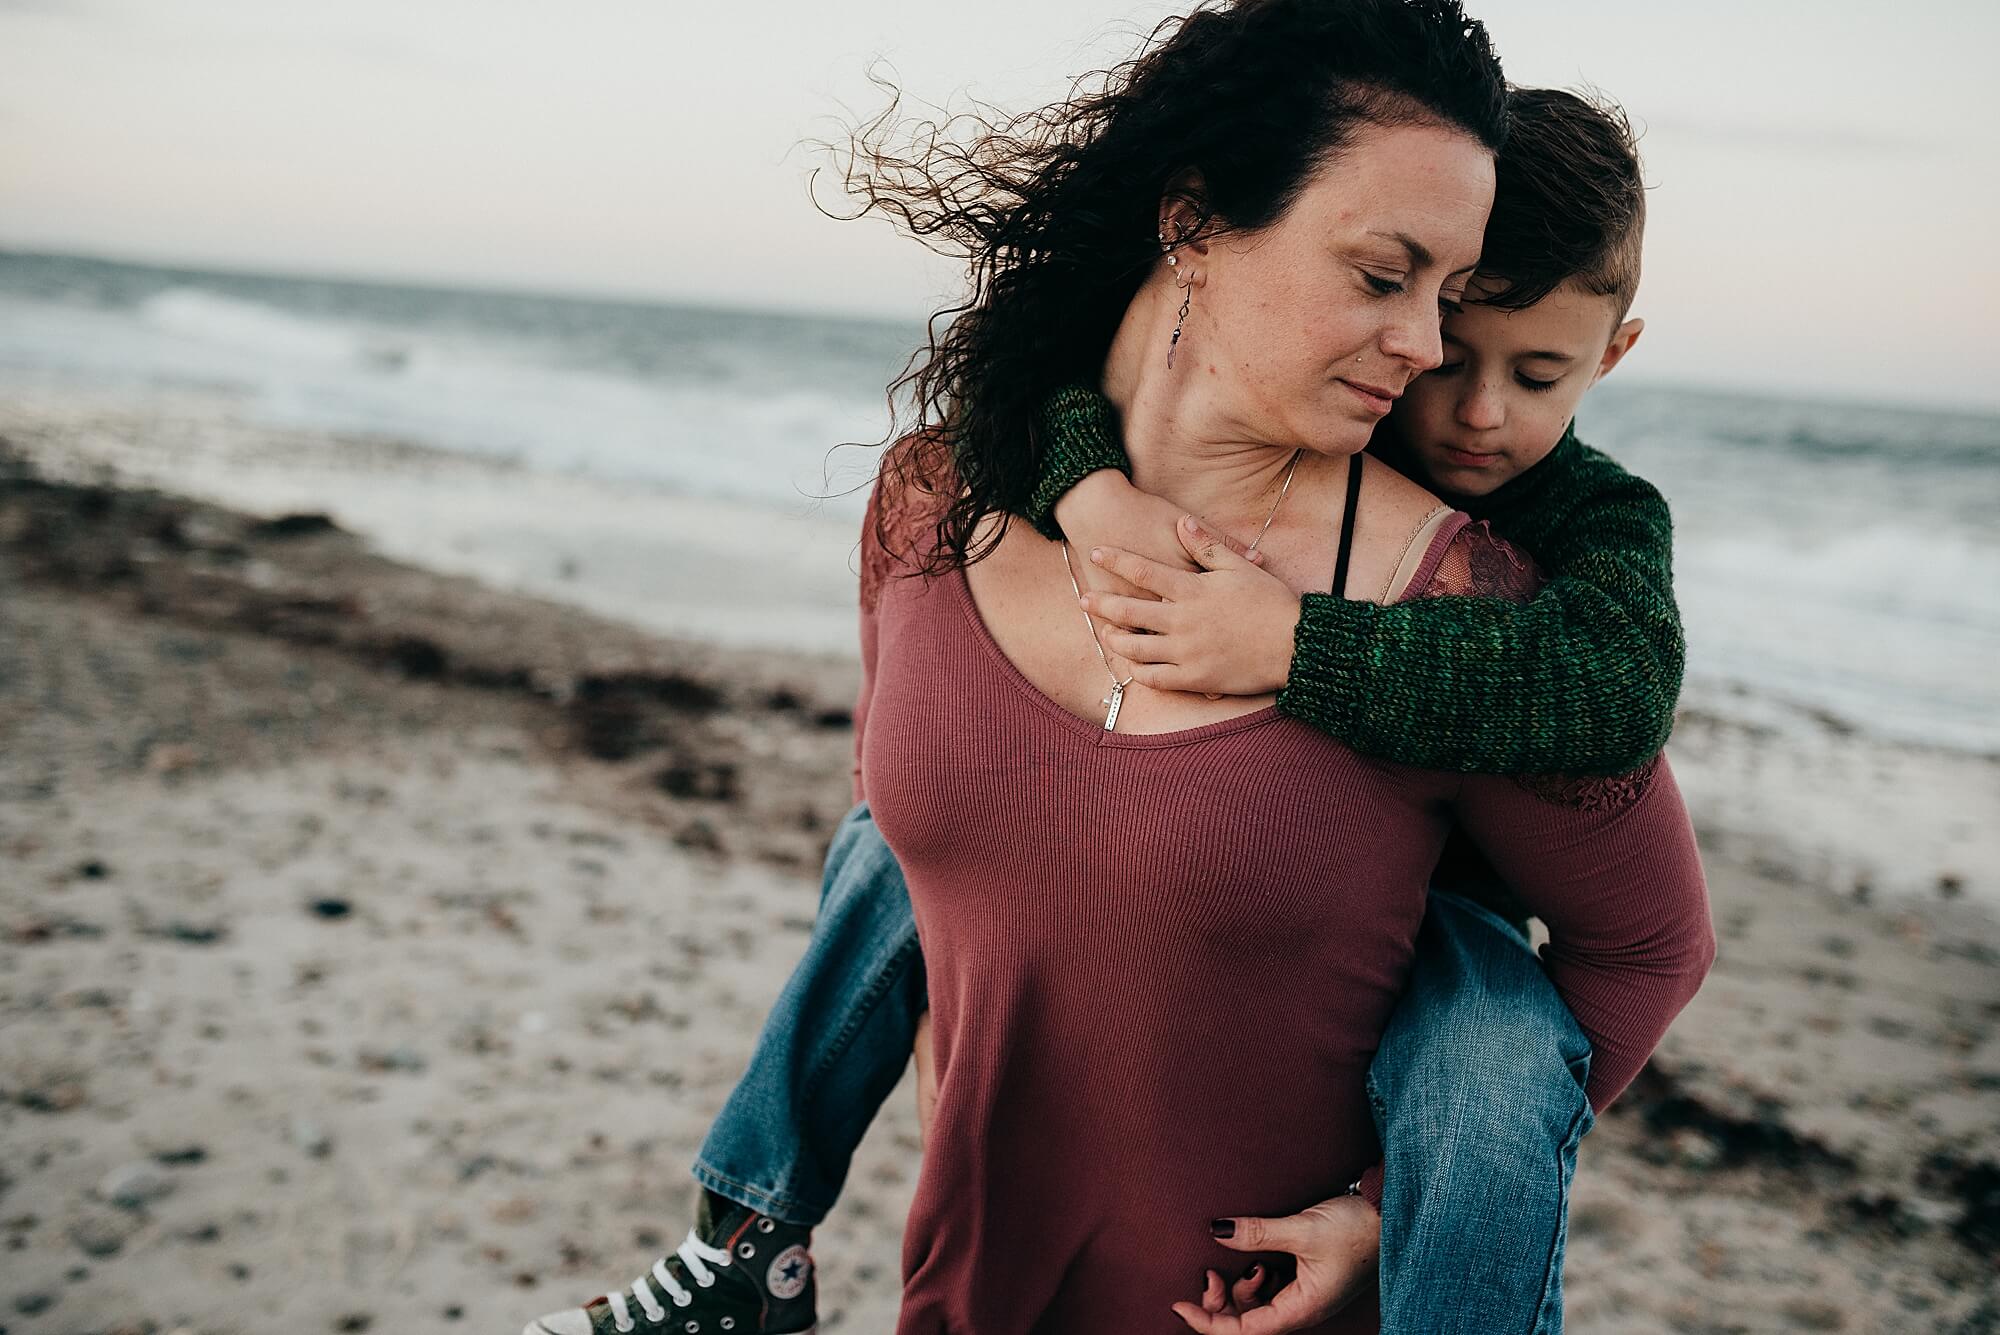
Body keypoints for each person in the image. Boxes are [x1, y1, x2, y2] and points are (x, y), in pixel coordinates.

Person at [519, 6, 1709, 1334]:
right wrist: (1084, 484)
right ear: (1193, 223)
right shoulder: (940, 500)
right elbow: (923, 854)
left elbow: (1645, 935)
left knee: (1486, 1036)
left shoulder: (1478, 605)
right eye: (1386, 277)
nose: (1439, 357)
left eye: (1457, 295)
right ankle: (743, 1248)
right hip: (969, 1299)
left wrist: (1394, 1203)